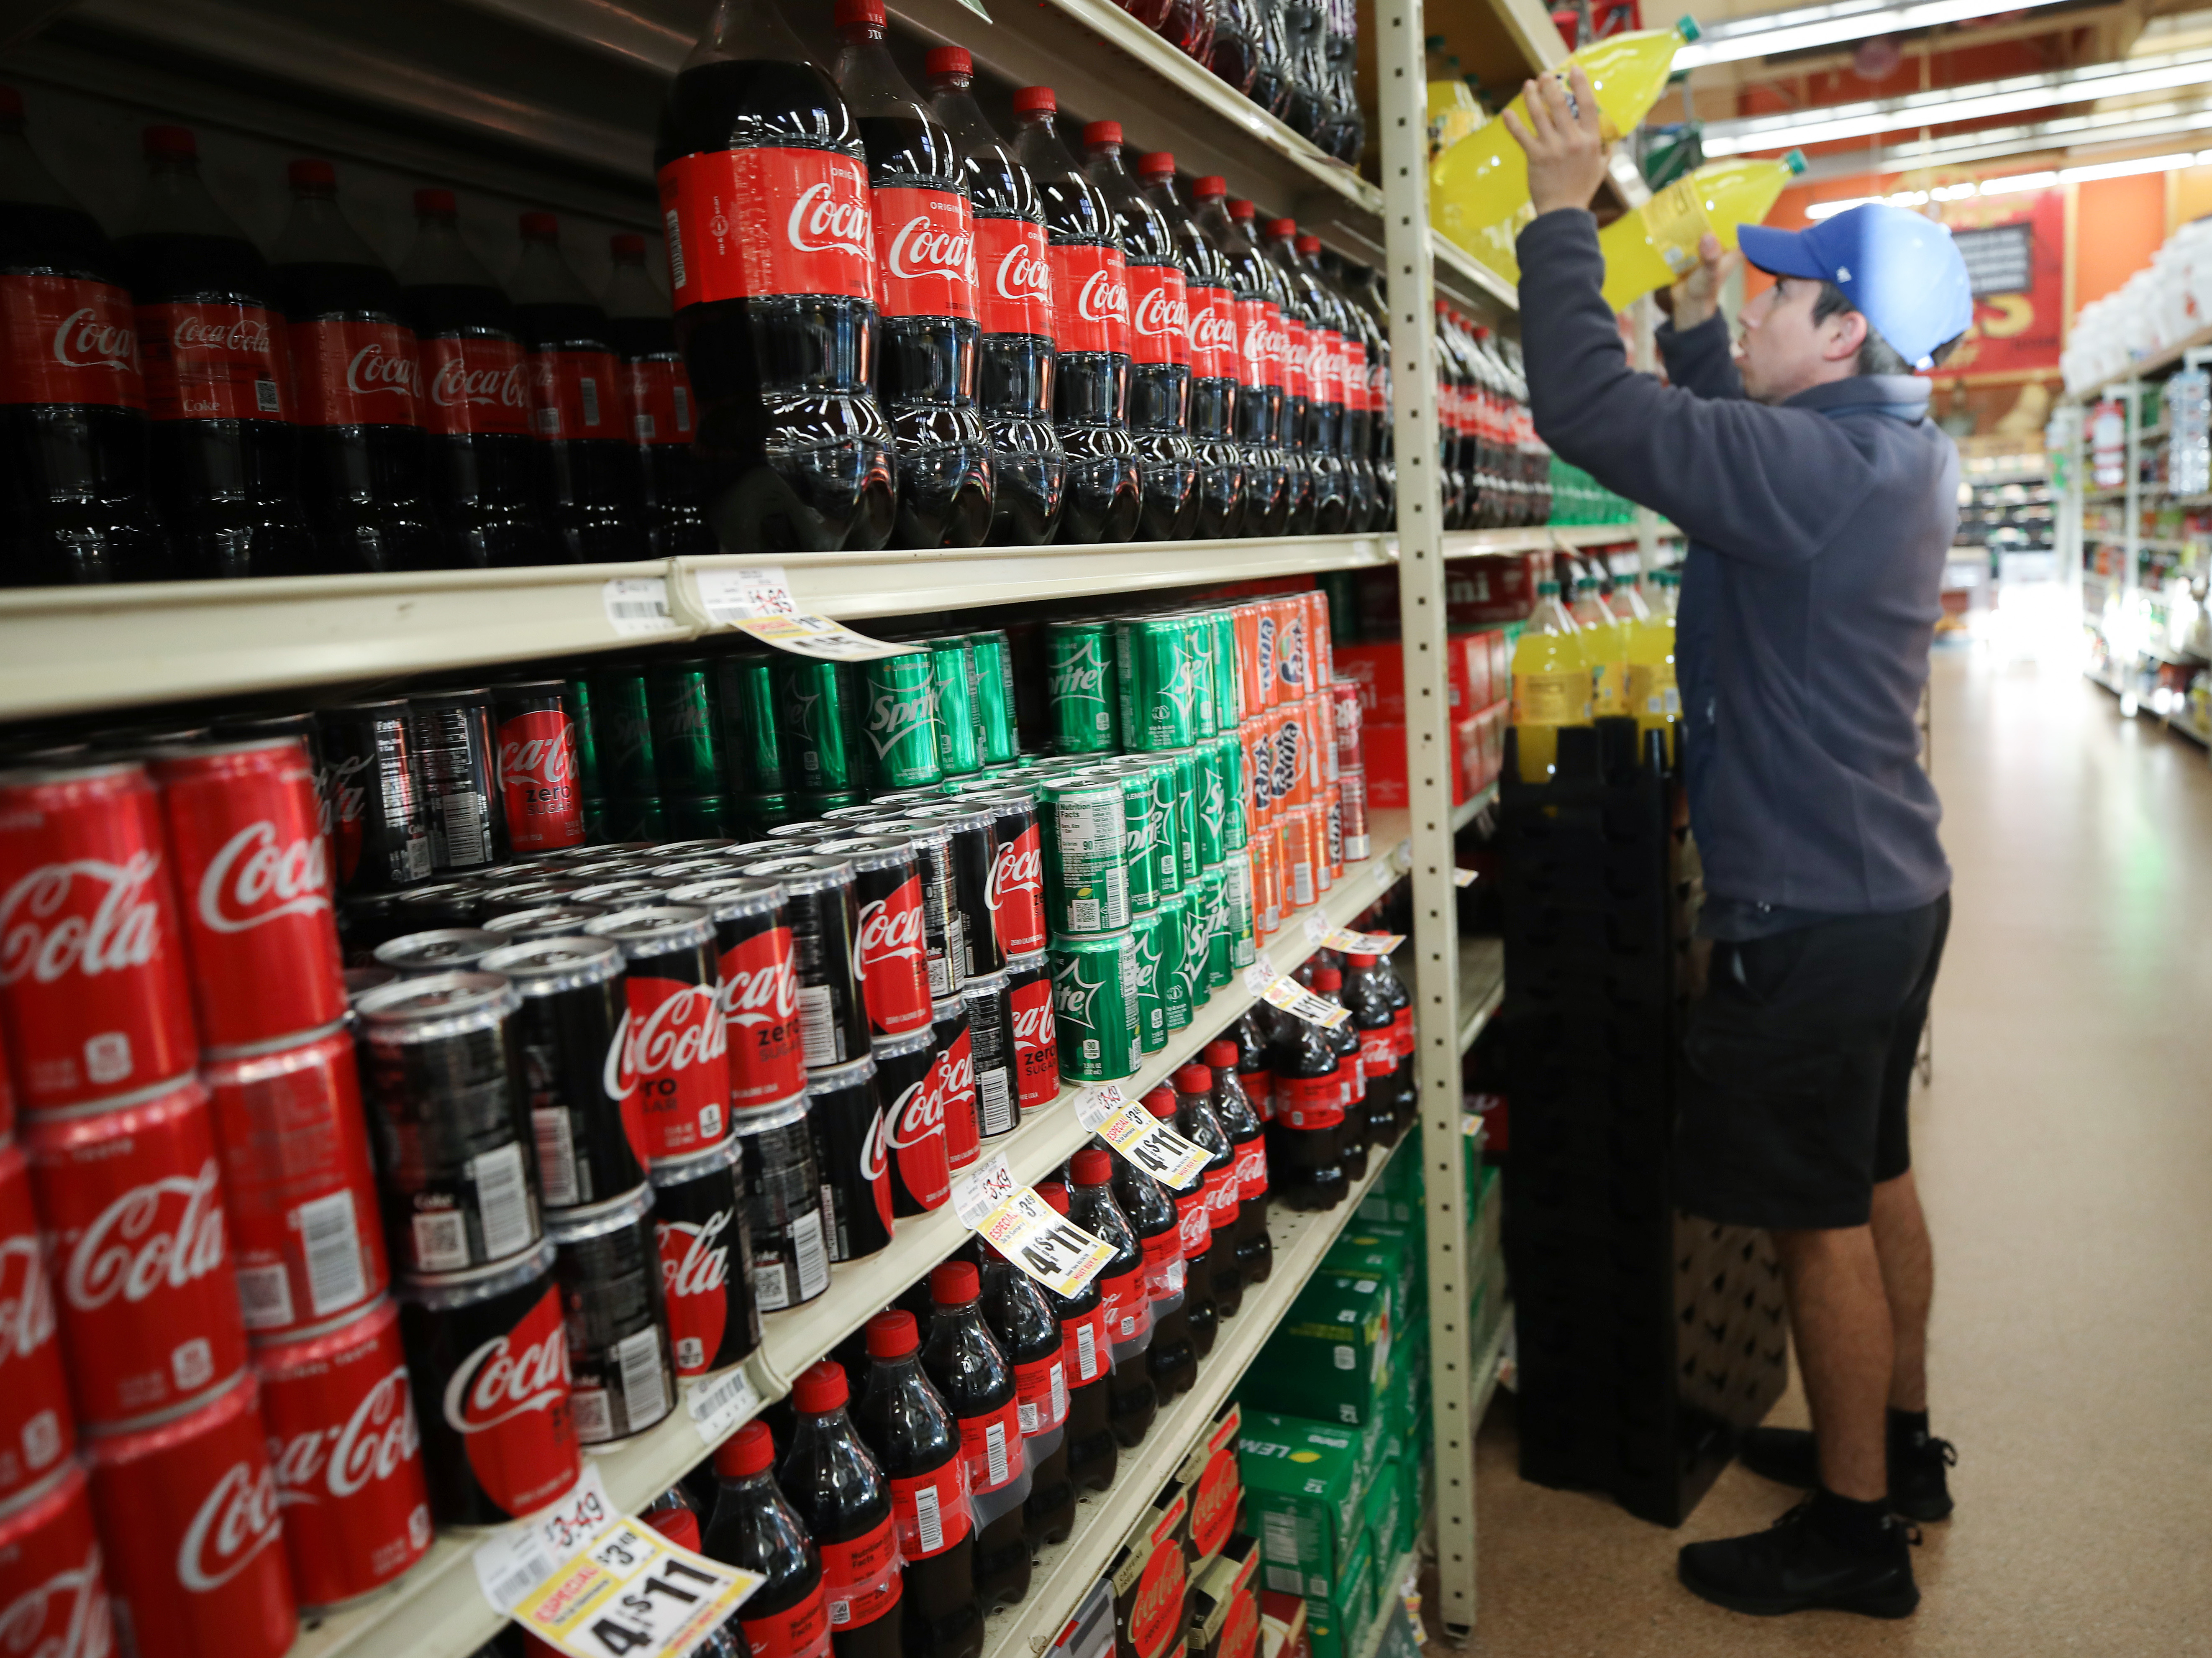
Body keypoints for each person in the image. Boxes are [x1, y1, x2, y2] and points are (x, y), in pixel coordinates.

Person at [1503, 68, 1973, 1621]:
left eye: (1776, 298)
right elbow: (1722, 429)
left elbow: (1593, 411)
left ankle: (1854, 1538)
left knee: (1813, 1215)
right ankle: (1897, 1450)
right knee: (1874, 1169)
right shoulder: (1880, 452)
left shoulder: (1814, 471)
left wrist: (1559, 213)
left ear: (1846, 334)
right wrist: (1704, 316)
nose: (1753, 311)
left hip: (1815, 910)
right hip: (1889, 891)